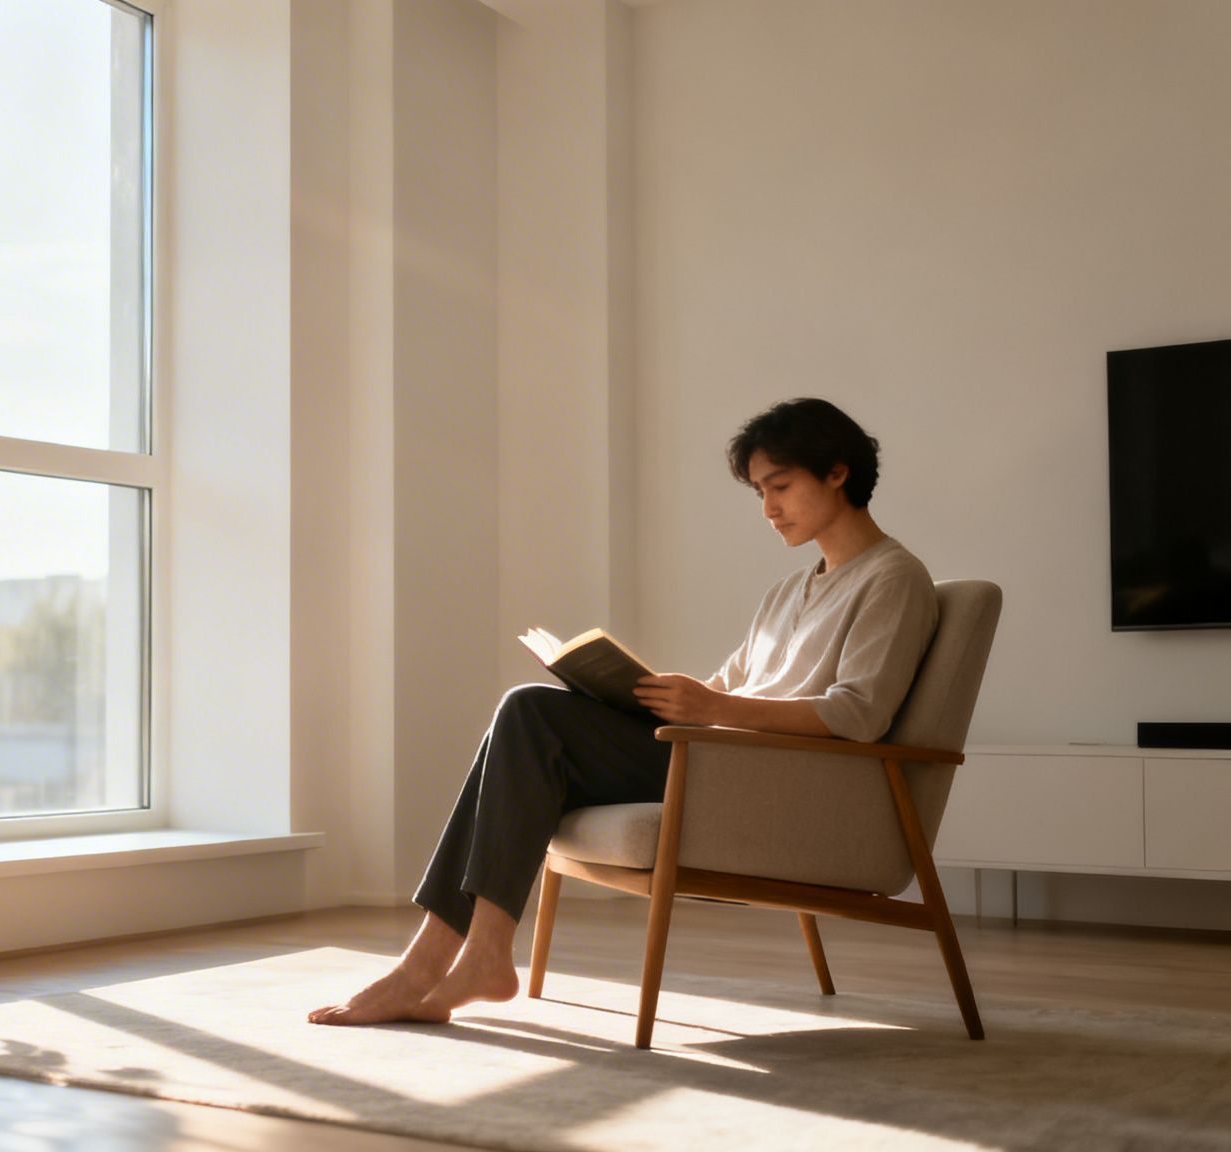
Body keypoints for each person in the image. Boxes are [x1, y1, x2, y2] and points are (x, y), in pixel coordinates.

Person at [309, 397, 938, 1027]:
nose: (768, 509)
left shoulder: (893, 577)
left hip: (768, 780)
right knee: (528, 717)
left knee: (530, 716)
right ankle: (459, 958)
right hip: (719, 755)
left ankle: (442, 964)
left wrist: (713, 705)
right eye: (758, 492)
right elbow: (733, 685)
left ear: (837, 472)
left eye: (780, 486)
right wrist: (642, 693)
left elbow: (859, 715)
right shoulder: (790, 590)